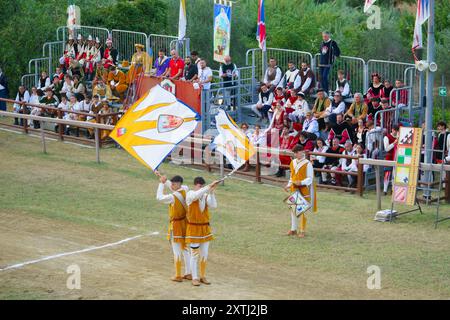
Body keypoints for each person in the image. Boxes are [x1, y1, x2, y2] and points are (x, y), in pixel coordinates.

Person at [156, 174, 192, 282]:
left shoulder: (173, 197)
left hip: (176, 226)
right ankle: (188, 273)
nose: (171, 185)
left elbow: (159, 197)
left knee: (177, 251)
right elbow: (173, 188)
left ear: (178, 184)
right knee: (185, 249)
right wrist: (165, 180)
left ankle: (177, 275)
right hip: (184, 224)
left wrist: (161, 184)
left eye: (173, 183)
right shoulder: (185, 189)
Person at [186, 177, 220, 286]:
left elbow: (214, 205)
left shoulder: (205, 195)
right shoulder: (190, 194)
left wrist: (211, 192)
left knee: (204, 254)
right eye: (200, 186)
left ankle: (202, 276)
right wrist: (208, 187)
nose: (201, 188)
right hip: (194, 229)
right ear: (195, 185)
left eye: (202, 186)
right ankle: (194, 277)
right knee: (194, 254)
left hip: (205, 229)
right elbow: (196, 195)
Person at [284, 145, 317, 238]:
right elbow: (292, 176)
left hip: (304, 189)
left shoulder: (308, 163)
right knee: (294, 209)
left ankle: (302, 230)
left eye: (296, 152)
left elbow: (310, 178)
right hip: (294, 188)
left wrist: (301, 182)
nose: (295, 155)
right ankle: (293, 229)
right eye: (294, 153)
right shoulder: (293, 162)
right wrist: (288, 185)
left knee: (303, 210)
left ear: (301, 152)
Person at [383, 125, 399, 195]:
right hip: (389, 157)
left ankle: (393, 189)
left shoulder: (399, 137)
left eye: (397, 130)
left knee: (395, 175)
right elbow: (386, 149)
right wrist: (394, 143)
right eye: (395, 130)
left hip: (397, 158)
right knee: (387, 174)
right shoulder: (386, 137)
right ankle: (385, 190)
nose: (396, 132)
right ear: (392, 130)